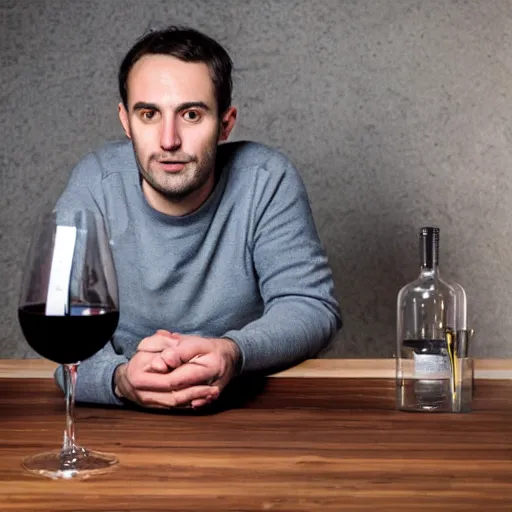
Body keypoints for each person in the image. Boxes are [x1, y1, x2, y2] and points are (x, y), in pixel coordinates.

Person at [55, 26, 342, 409]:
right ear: (126, 121)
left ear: (226, 122)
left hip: (247, 416)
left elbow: (310, 306)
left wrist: (233, 352)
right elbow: (63, 329)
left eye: (191, 114)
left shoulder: (265, 178)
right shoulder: (95, 182)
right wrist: (120, 379)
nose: (169, 140)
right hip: (117, 423)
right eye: (149, 114)